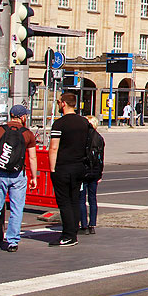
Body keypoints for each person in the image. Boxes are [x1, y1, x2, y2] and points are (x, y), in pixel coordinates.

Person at [0, 105, 38, 252]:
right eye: (25, 116)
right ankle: (12, 242)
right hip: (18, 176)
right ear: (22, 117)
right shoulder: (27, 134)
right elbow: (32, 157)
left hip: (0, 174)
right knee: (16, 209)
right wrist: (33, 177)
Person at [48, 92, 90, 247]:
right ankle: (73, 233)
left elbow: (53, 148)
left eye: (59, 102)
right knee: (75, 200)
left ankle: (67, 235)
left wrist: (52, 169)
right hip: (79, 167)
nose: (58, 104)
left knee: (64, 201)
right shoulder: (84, 122)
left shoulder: (59, 124)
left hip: (63, 167)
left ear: (63, 103)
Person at [79, 116, 101, 236]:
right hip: (95, 172)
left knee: (81, 199)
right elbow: (101, 158)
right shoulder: (99, 138)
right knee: (92, 198)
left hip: (83, 172)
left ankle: (84, 225)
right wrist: (100, 173)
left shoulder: (83, 137)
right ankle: (92, 224)